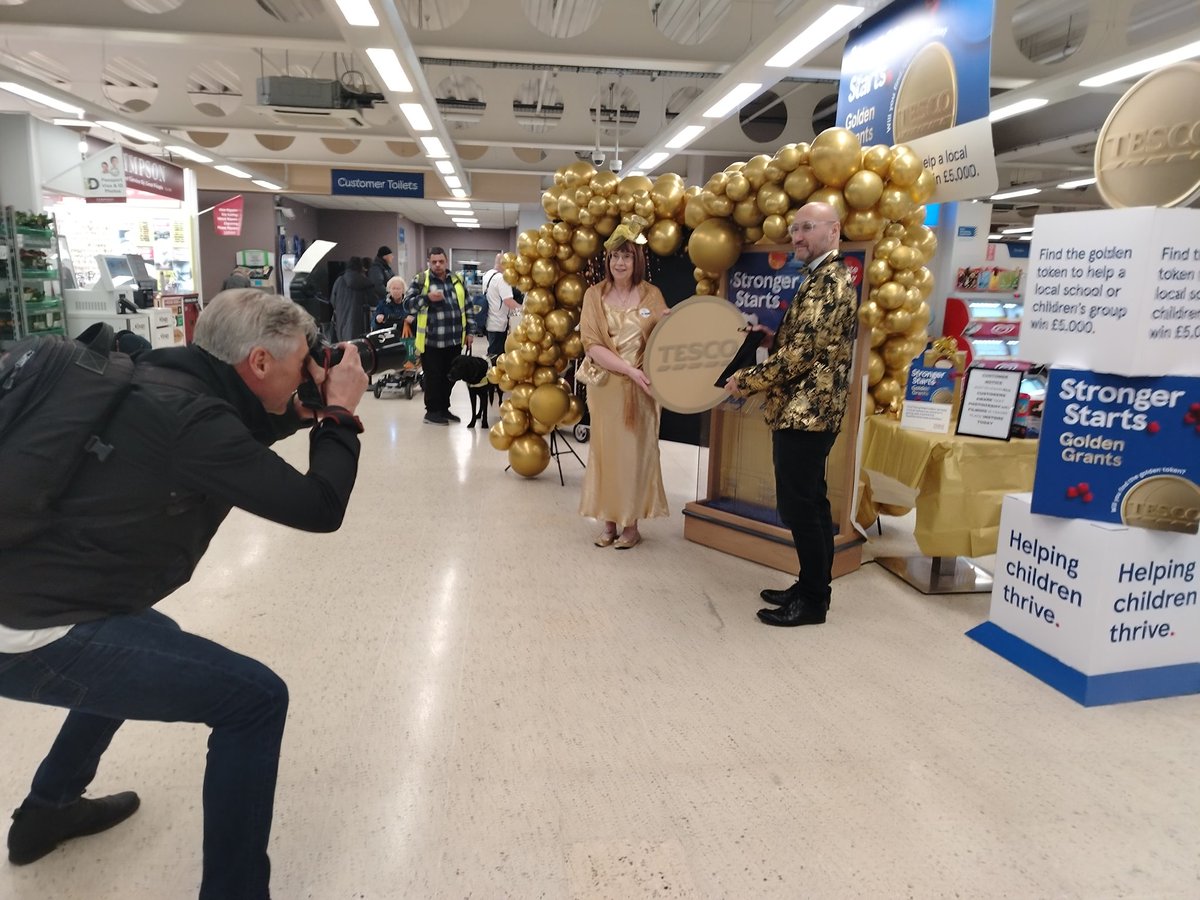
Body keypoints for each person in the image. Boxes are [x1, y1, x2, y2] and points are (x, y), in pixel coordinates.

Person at [0, 288, 368, 898]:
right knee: (254, 700)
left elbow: (227, 437)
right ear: (257, 363)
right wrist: (340, 415)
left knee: (154, 637)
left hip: (37, 591)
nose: (310, 371)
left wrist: (304, 408)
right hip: (28, 628)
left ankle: (47, 811)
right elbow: (318, 506)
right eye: (303, 361)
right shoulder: (192, 422)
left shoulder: (163, 378)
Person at [723, 201, 859, 627]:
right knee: (809, 505)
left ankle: (814, 601)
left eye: (806, 228)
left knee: (802, 507)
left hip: (808, 413)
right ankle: (809, 584)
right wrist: (769, 336)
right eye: (794, 228)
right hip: (805, 412)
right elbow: (804, 343)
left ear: (833, 230)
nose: (796, 236)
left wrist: (743, 381)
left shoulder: (827, 284)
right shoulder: (821, 277)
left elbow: (799, 358)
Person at [577, 226, 669, 549]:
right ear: (608, 259)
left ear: (637, 260)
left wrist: (674, 323)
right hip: (607, 388)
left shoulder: (652, 295)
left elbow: (664, 338)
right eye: (615, 255)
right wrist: (628, 369)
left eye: (626, 256)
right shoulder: (594, 296)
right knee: (606, 454)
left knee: (635, 455)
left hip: (642, 390)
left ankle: (631, 524)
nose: (619, 262)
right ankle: (608, 522)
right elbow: (591, 345)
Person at [403, 246, 471, 426]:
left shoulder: (457, 280)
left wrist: (470, 332)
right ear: (429, 262)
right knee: (434, 377)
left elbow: (468, 307)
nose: (438, 265)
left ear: (446, 261)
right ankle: (432, 412)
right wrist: (426, 298)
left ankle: (443, 409)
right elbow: (407, 305)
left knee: (450, 376)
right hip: (431, 341)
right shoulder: (421, 280)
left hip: (454, 339)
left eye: (441, 261)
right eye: (434, 262)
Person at [329, 256, 375, 341]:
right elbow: (373, 301)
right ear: (361, 267)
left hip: (341, 321)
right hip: (360, 323)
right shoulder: (366, 283)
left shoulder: (339, 280)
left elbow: (332, 301)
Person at [482, 252, 519, 357]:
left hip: (488, 320)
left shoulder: (487, 274)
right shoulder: (502, 279)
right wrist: (524, 308)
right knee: (497, 355)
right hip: (498, 323)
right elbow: (508, 301)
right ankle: (494, 372)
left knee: (492, 351)